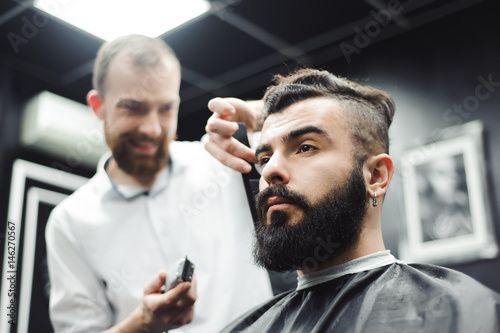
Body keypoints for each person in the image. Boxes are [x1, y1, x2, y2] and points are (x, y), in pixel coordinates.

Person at [205, 68, 500, 333]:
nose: (269, 171)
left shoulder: (463, 314)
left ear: (375, 176)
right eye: (265, 157)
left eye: (305, 147)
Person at [45, 34, 273, 333]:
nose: (152, 129)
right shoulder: (70, 222)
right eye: (133, 107)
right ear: (98, 105)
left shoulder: (224, 160)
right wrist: (143, 323)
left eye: (166, 109)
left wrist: (272, 116)